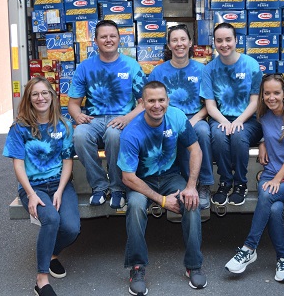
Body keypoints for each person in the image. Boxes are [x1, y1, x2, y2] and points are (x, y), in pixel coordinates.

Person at [117, 81, 207, 295]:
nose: (156, 105)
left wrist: (192, 186)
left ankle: (193, 265)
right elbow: (128, 177)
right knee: (137, 206)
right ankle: (137, 268)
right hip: (141, 180)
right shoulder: (132, 132)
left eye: (161, 100)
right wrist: (162, 200)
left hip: (170, 177)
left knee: (191, 202)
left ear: (168, 100)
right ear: (142, 103)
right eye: (151, 101)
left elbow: (196, 151)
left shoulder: (176, 117)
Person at [225, 74, 284, 282]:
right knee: (274, 208)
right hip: (271, 175)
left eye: (276, 93)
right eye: (267, 93)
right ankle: (283, 261)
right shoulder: (264, 116)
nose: (271, 97)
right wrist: (262, 142)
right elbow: (264, 135)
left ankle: (249, 247)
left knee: (267, 193)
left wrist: (277, 180)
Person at [3, 76, 81, 296]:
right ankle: (41, 281)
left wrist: (59, 190)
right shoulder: (19, 128)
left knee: (73, 229)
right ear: (29, 98)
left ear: (52, 96)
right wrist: (30, 194)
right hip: (33, 186)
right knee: (52, 219)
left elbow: (67, 162)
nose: (40, 98)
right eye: (35, 94)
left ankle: (52, 253)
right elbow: (18, 165)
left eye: (44, 93)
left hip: (59, 183)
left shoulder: (64, 124)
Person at [68, 19, 146, 208]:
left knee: (113, 134)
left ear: (119, 39)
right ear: (95, 40)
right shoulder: (84, 67)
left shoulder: (131, 66)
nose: (108, 40)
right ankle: (99, 186)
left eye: (112, 36)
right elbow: (73, 104)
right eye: (103, 36)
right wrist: (77, 115)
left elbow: (144, 103)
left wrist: (127, 118)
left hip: (122, 119)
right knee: (79, 134)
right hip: (94, 119)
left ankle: (118, 188)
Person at [147, 24, 214, 209]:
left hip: (195, 117)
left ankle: (205, 184)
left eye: (183, 39)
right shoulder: (158, 72)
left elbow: (210, 104)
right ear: (168, 45)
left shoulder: (202, 70)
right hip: (166, 118)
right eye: (174, 40)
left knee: (201, 131)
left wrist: (193, 120)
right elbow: (149, 102)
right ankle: (176, 184)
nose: (179, 44)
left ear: (190, 42)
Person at [200, 22, 263, 206]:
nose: (224, 44)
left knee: (238, 135)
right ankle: (225, 181)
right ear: (215, 43)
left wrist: (239, 121)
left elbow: (255, 101)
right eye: (219, 40)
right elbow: (210, 106)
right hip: (221, 117)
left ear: (236, 40)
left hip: (249, 119)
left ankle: (241, 183)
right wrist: (224, 121)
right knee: (219, 136)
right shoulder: (209, 69)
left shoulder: (251, 64)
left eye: (228, 39)